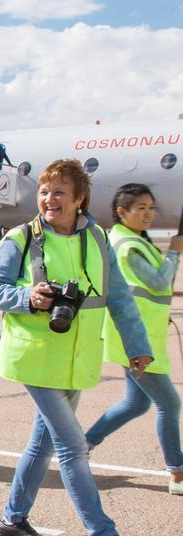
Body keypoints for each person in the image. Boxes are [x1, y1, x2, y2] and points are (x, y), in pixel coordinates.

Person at [0, 159, 150, 536]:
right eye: (44, 191)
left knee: (42, 444)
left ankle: (12, 518)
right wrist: (27, 297)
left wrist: (137, 347)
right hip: (34, 354)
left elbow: (121, 299)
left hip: (76, 358)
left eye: (59, 192)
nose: (49, 199)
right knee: (73, 446)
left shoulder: (98, 240)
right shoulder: (21, 238)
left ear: (79, 198)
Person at [86, 183, 183, 495]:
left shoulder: (132, 239)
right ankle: (177, 472)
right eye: (140, 208)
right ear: (121, 211)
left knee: (135, 403)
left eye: (151, 208)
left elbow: (140, 291)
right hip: (136, 341)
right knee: (169, 403)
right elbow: (158, 280)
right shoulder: (127, 245)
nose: (148, 214)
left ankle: (81, 445)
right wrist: (176, 252)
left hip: (140, 334)